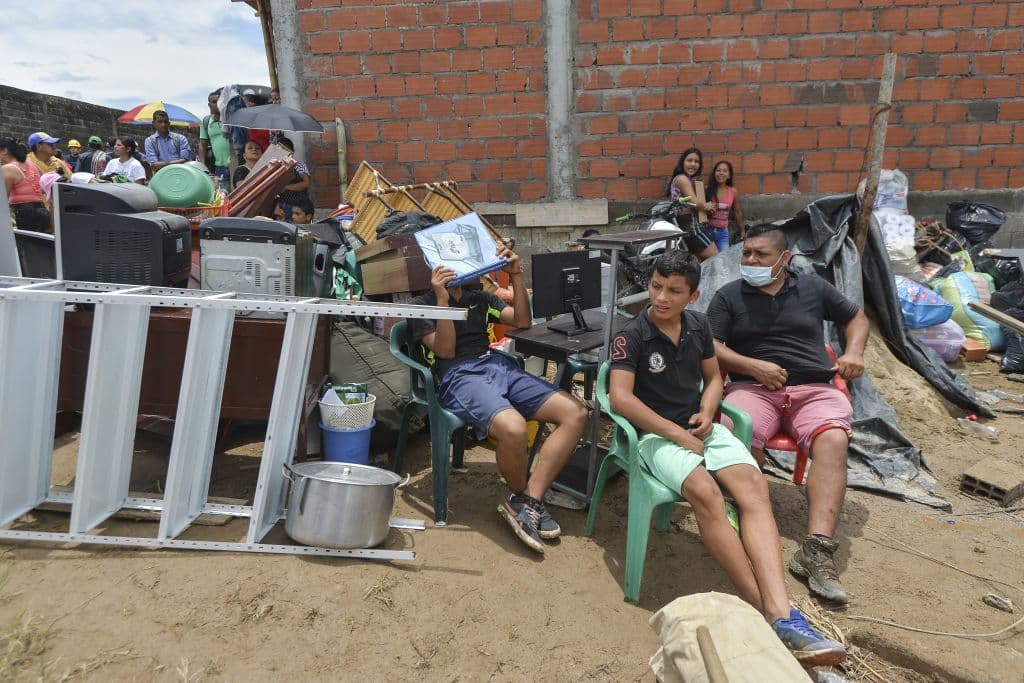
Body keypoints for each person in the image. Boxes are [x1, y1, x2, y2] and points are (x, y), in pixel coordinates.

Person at [608, 250, 846, 665]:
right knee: (707, 494)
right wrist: (677, 433)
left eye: (673, 290)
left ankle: (781, 612)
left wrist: (706, 408)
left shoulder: (698, 325)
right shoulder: (633, 335)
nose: (661, 297)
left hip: (699, 427)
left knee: (754, 487)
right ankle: (771, 612)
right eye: (656, 286)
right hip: (655, 437)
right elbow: (620, 399)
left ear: (693, 295)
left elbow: (714, 377)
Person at [706, 224, 869, 605]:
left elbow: (856, 319)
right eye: (746, 253)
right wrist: (753, 365)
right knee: (736, 431)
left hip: (814, 388)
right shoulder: (729, 296)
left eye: (760, 255)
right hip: (752, 388)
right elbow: (710, 346)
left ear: (785, 259)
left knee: (833, 438)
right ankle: (748, 521)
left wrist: (854, 352)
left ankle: (816, 550)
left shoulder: (812, 288)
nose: (750, 261)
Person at [409, 246, 589, 553]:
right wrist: (441, 299)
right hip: (457, 376)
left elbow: (522, 321)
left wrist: (516, 274)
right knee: (515, 428)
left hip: (495, 366)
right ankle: (523, 496)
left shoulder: (480, 299)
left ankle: (526, 498)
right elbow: (446, 352)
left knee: (576, 413)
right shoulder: (423, 306)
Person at [666, 147, 717, 261]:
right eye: (689, 160)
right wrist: (707, 206)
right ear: (682, 162)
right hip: (688, 224)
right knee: (714, 255)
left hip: (687, 222)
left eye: (696, 161)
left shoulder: (688, 180)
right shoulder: (682, 179)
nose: (693, 164)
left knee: (698, 260)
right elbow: (694, 202)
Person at [1, 137, 50, 232]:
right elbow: (43, 186)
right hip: (43, 210)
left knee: (29, 246)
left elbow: (2, 200)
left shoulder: (7, 168)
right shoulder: (30, 163)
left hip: (27, 214)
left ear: (4, 151)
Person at [705, 160, 745, 251]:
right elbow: (699, 209)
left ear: (729, 175)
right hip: (707, 231)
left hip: (722, 233)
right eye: (718, 170)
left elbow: (737, 212)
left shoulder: (733, 191)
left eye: (725, 171)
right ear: (714, 173)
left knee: (723, 260)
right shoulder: (706, 190)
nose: (721, 173)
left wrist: (742, 231)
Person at [199, 88, 232, 189]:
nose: (217, 104)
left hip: (236, 164)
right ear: (209, 105)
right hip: (219, 167)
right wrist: (203, 166)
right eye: (214, 102)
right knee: (223, 195)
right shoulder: (206, 121)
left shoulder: (230, 118)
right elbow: (202, 145)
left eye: (219, 101)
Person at [276, 136, 311, 222]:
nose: (283, 152)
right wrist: (276, 208)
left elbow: (306, 183)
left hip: (300, 208)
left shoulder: (299, 165)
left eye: (285, 149)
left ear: (292, 152)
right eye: (279, 149)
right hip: (283, 207)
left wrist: (286, 187)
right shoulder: (275, 168)